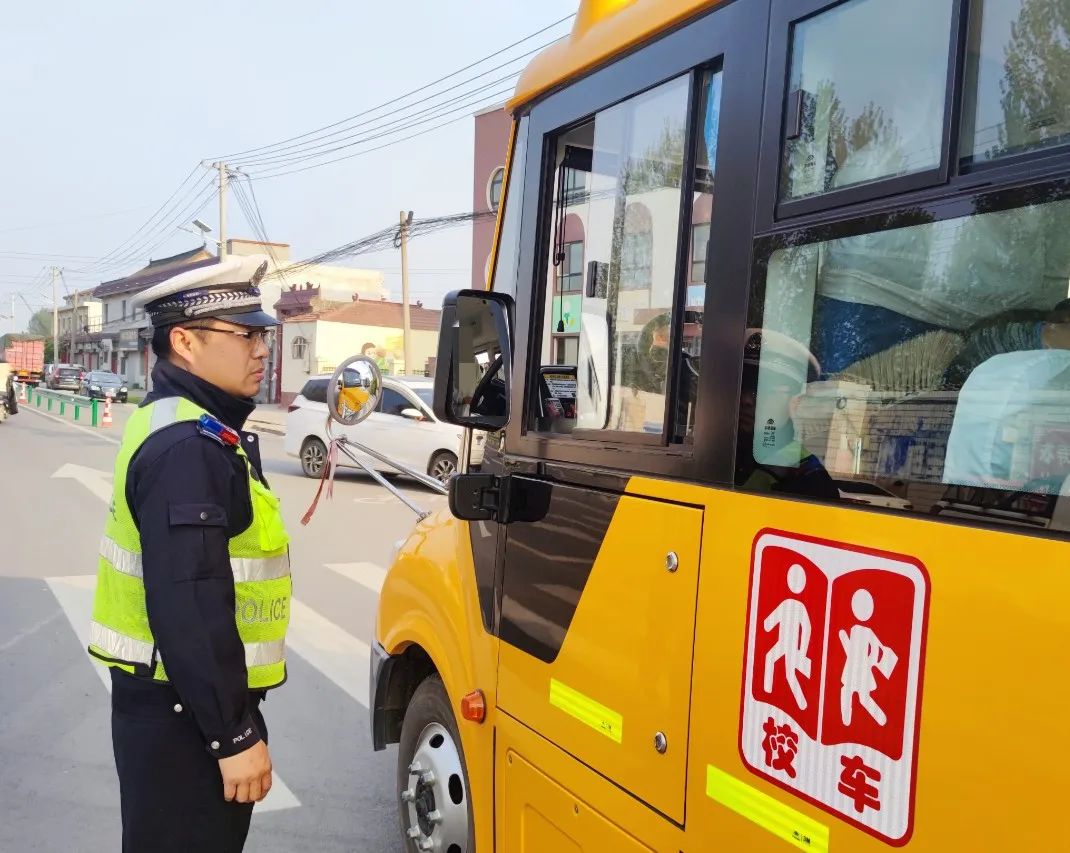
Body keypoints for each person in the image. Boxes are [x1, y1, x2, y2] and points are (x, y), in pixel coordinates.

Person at [86, 254, 291, 852]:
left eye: (264, 336)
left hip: (178, 708)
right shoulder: (187, 446)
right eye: (246, 335)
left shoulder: (181, 421)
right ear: (184, 342)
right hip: (187, 719)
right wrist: (232, 735)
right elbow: (190, 602)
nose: (262, 350)